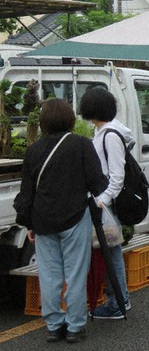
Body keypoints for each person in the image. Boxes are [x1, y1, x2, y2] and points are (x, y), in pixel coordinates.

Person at [13, 99, 108, 343]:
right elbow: (98, 183)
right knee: (75, 274)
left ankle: (54, 325)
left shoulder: (33, 150)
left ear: (43, 122)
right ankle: (75, 326)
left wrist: (28, 224)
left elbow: (26, 193)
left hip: (43, 221)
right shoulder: (82, 145)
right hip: (75, 217)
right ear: (70, 120)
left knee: (49, 275)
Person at [79, 88, 133, 320]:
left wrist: (103, 200)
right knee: (110, 251)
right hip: (102, 201)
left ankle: (119, 302)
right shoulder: (103, 131)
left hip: (104, 203)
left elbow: (116, 176)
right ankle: (118, 300)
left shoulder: (110, 135)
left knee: (111, 252)